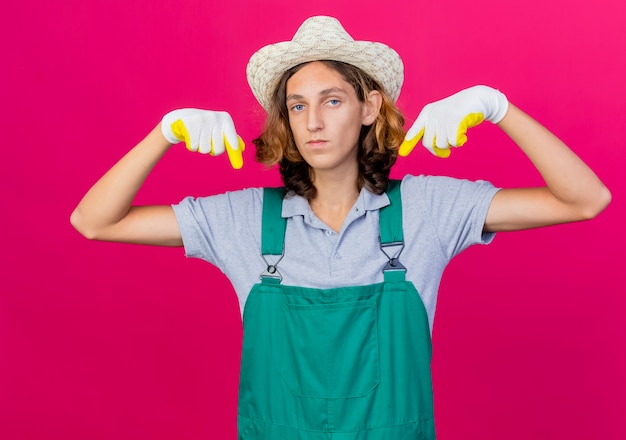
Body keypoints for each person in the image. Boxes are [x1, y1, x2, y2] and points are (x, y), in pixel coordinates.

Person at [71, 15, 610, 440]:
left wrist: (499, 109)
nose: (312, 122)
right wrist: (163, 134)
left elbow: (585, 200)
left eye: (332, 101)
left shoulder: (427, 210)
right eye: (297, 105)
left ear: (369, 107)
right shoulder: (241, 220)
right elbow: (94, 221)